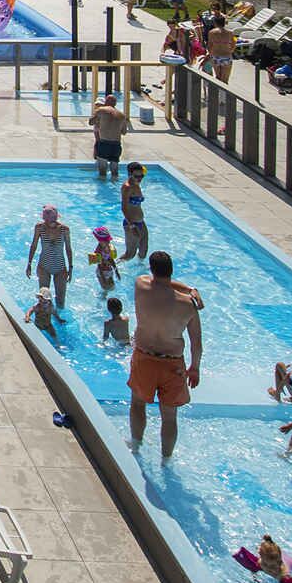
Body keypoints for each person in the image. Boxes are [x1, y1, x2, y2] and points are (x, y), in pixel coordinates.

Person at [131, 250, 203, 460]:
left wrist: (187, 288)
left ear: (152, 270)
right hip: (173, 363)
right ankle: (166, 458)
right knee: (170, 417)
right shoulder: (188, 305)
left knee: (137, 403)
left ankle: (136, 446)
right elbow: (196, 344)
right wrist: (195, 367)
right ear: (171, 271)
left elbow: (159, 282)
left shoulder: (141, 285)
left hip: (144, 356)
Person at [24, 205, 74, 309]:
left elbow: (68, 249)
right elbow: (34, 245)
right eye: (47, 219)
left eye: (51, 219)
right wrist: (29, 264)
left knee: (60, 301)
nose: (49, 222)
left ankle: (59, 321)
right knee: (43, 299)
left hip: (60, 268)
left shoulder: (64, 229)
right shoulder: (39, 227)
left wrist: (71, 267)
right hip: (44, 267)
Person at [88, 95, 129, 179]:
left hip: (104, 143)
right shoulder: (122, 115)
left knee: (102, 171)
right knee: (114, 170)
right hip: (116, 145)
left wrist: (99, 122)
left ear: (106, 102)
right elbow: (124, 132)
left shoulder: (101, 110)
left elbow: (91, 122)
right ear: (115, 103)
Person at [119, 163, 149, 262]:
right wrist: (132, 226)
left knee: (143, 251)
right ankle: (112, 267)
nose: (140, 178)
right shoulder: (127, 187)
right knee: (130, 254)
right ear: (130, 174)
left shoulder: (136, 184)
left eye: (141, 176)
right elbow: (123, 208)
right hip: (131, 224)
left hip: (141, 222)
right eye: (137, 176)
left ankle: (140, 270)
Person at [87, 225, 118, 291]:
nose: (109, 242)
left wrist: (116, 270)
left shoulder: (109, 247)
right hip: (101, 273)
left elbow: (111, 259)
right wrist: (103, 278)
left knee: (112, 287)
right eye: (107, 241)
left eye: (109, 240)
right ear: (100, 241)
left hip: (109, 269)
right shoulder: (98, 251)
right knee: (105, 289)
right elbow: (99, 266)